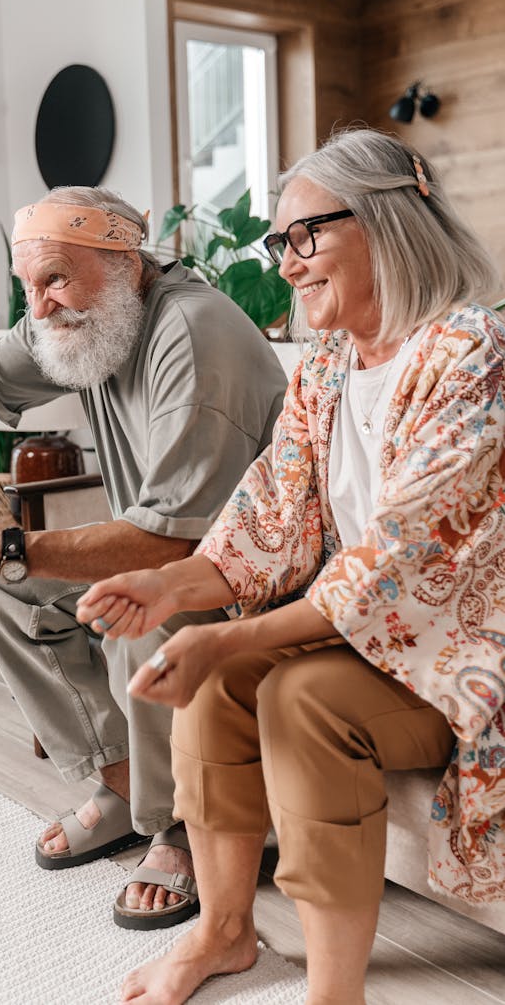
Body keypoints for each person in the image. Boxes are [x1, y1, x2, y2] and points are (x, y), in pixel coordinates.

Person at [76, 129, 505, 1003]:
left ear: (387, 222)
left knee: (296, 694)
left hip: (467, 647)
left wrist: (237, 641)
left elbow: (398, 564)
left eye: (306, 236)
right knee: (216, 678)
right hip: (377, 636)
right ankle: (224, 930)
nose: (289, 263)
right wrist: (165, 587)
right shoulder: (328, 373)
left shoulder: (471, 354)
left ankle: (332, 992)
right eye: (282, 244)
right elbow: (262, 520)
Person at [0, 185, 286, 929]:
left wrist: (4, 544)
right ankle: (121, 783)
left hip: (251, 574)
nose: (39, 306)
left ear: (122, 263)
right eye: (28, 283)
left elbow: (175, 541)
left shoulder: (192, 332)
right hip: (173, 547)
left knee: (139, 600)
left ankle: (177, 826)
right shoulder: (95, 320)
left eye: (55, 279)